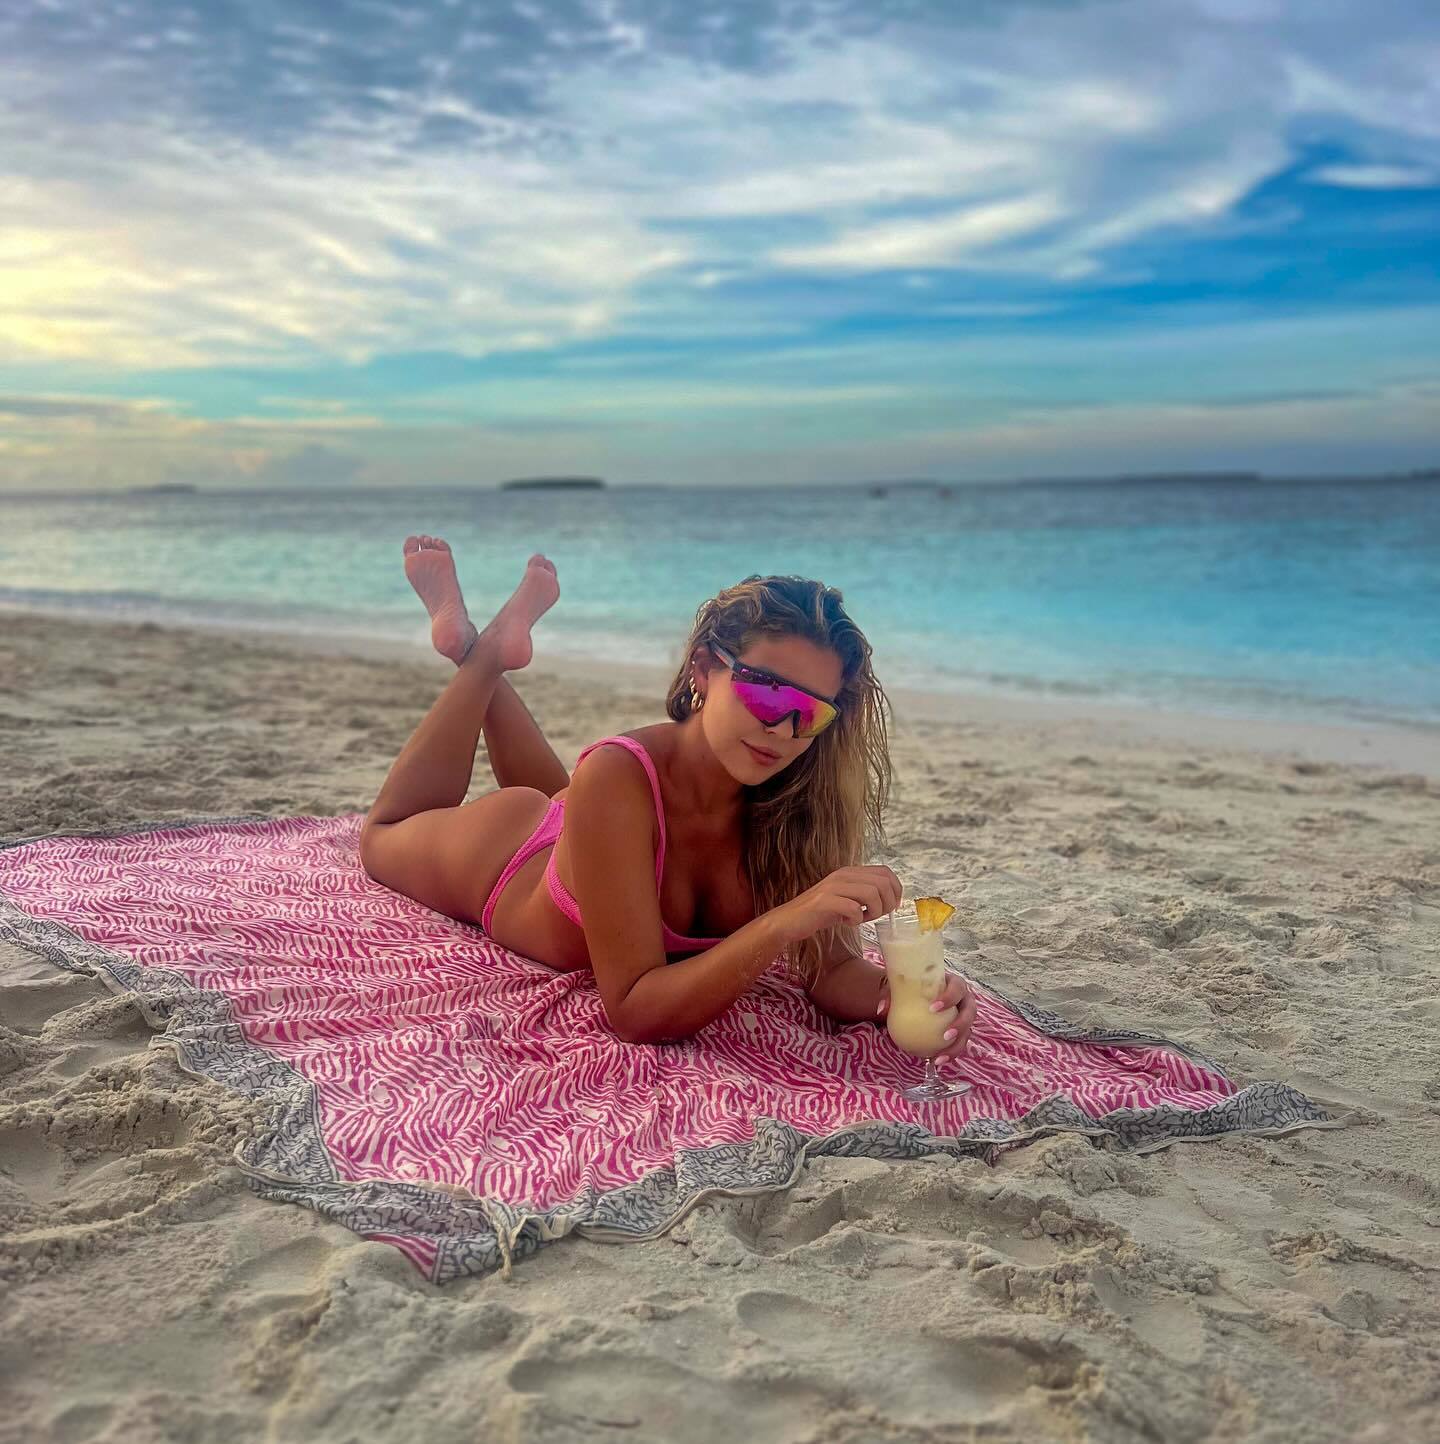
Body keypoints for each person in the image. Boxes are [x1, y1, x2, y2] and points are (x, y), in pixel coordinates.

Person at [360, 536, 977, 1051]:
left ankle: (481, 648)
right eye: (766, 693)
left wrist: (899, 992)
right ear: (705, 669)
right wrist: (782, 923)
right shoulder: (616, 774)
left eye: (811, 714)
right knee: (382, 835)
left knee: (572, 796)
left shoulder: (803, 805)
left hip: (603, 827)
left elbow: (834, 970)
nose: (783, 729)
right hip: (511, 859)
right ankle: (480, 654)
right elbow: (633, 1010)